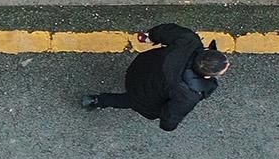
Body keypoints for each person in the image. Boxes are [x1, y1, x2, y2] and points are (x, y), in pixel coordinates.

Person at [81, 24, 229, 131]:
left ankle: (97, 101)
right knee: (128, 101)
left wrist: (148, 37)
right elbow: (170, 119)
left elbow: (166, 31)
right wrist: (166, 124)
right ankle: (97, 101)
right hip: (144, 95)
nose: (228, 66)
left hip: (141, 68)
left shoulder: (188, 40)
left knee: (133, 91)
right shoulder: (188, 95)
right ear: (207, 76)